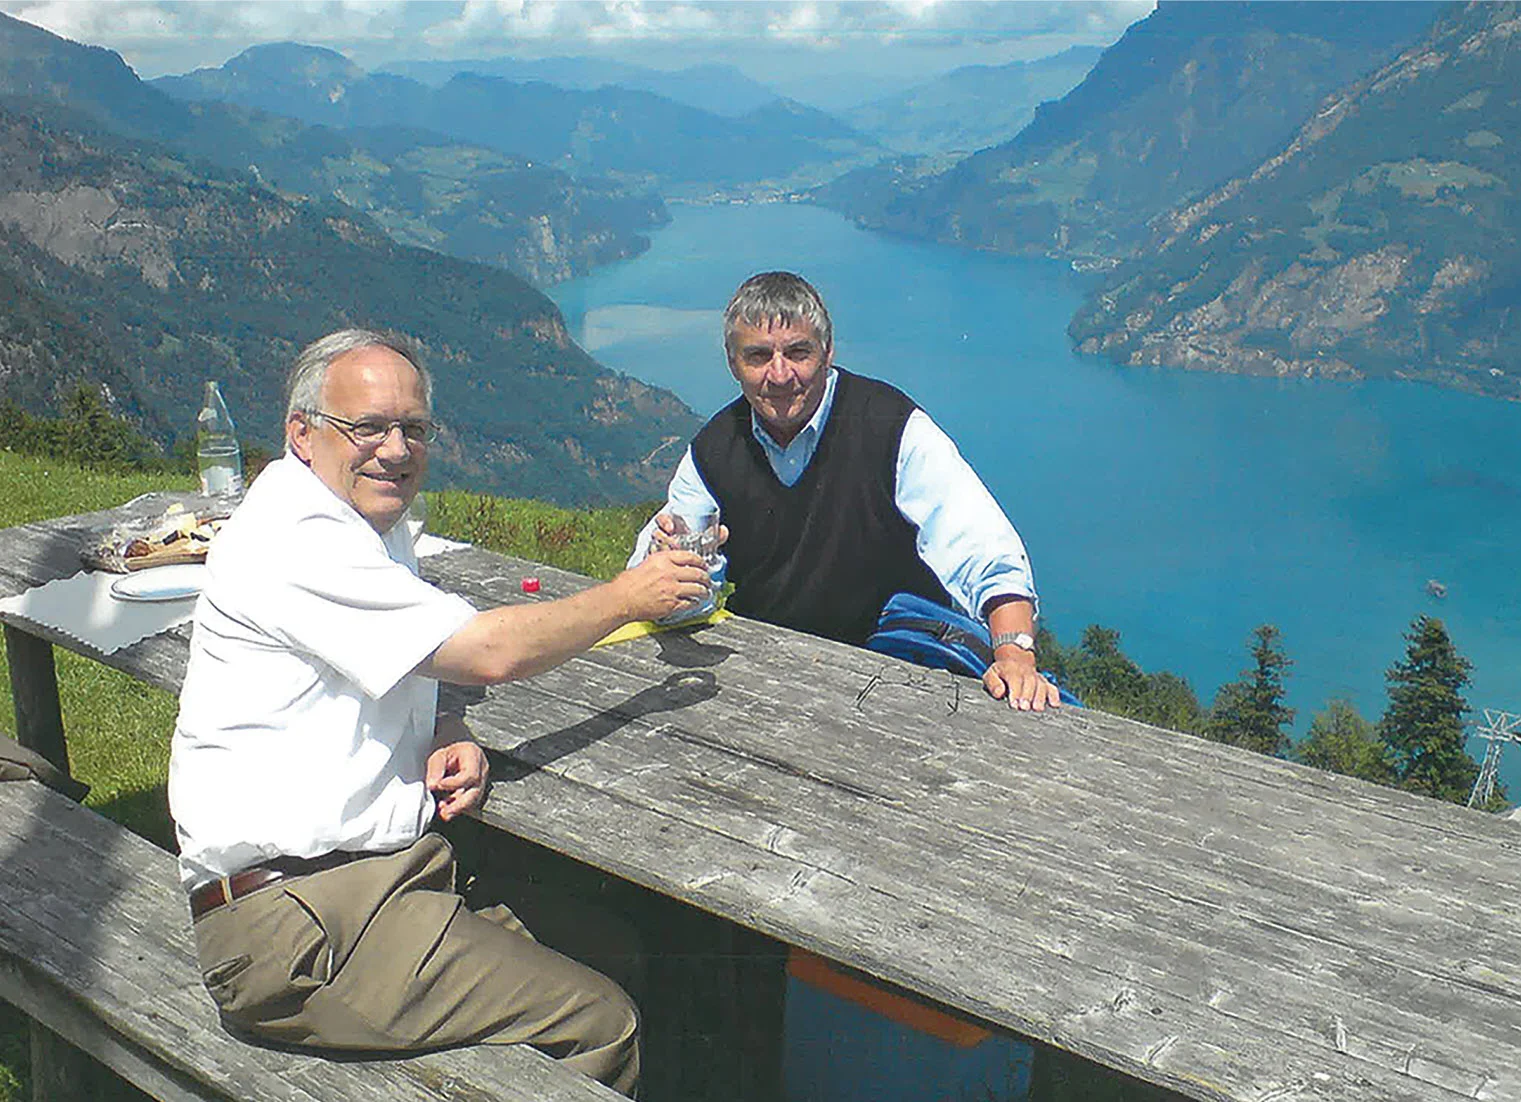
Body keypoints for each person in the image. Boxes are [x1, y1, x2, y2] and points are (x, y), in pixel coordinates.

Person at [169, 329, 712, 1095]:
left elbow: (422, 650)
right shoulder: (296, 536)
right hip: (299, 927)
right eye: (368, 427)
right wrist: (630, 595)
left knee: (616, 944)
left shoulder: (358, 522)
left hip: (368, 883)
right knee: (602, 1024)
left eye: (413, 429)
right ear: (301, 434)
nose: (395, 449)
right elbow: (487, 650)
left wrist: (447, 724)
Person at [630, 271, 1060, 711]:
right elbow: (668, 593)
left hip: (902, 678)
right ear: (732, 362)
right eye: (758, 356)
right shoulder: (713, 452)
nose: (779, 375)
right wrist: (674, 573)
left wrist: (1014, 656)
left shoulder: (891, 429)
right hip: (769, 679)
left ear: (828, 351)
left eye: (798, 352)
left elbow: (982, 546)